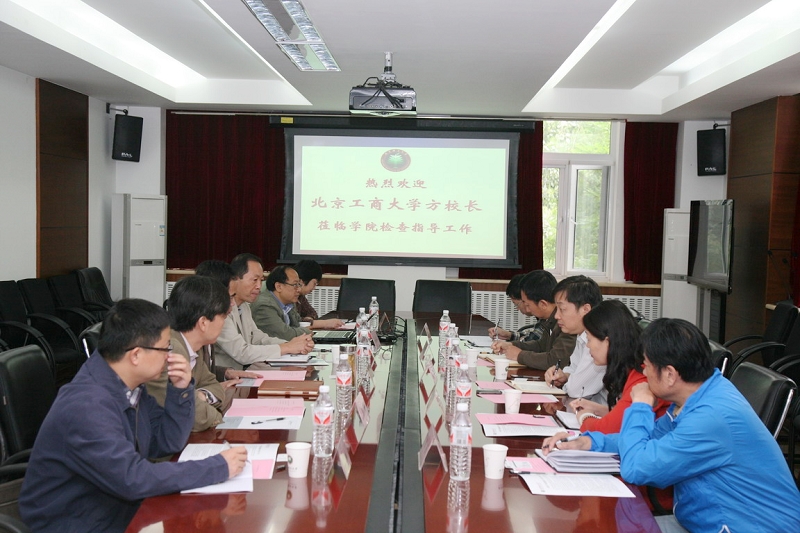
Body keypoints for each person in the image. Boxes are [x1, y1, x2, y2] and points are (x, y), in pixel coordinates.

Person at [543, 318, 800, 533]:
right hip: (699, 521)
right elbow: (651, 439)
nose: (643, 373)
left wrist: (641, 405)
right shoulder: (698, 393)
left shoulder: (711, 417)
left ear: (669, 374)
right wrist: (589, 442)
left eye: (646, 366)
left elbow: (636, 468)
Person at [19, 299, 247, 533]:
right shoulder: (87, 406)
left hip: (117, 510)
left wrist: (180, 391)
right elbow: (133, 478)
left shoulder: (130, 386)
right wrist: (217, 467)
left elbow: (166, 442)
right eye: (165, 348)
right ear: (136, 355)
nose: (169, 356)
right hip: (77, 523)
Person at [147, 276, 242, 431]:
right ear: (203, 323)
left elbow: (215, 386)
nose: (223, 323)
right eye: (223, 317)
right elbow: (198, 418)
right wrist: (211, 412)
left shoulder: (192, 347)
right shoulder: (170, 351)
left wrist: (200, 396)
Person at [569, 300, 669, 432]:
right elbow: (625, 416)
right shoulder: (629, 368)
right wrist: (596, 409)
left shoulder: (642, 377)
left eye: (589, 339)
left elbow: (608, 429)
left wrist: (584, 417)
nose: (587, 346)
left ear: (607, 341)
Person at [213, 253, 314, 371]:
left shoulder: (244, 306)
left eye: (261, 280)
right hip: (224, 377)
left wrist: (292, 344)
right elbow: (242, 352)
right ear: (235, 279)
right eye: (254, 280)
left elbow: (258, 338)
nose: (258, 286)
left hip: (244, 373)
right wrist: (287, 347)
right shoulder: (221, 310)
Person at [491, 270, 577, 370]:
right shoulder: (548, 320)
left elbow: (555, 360)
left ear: (543, 304)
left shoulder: (565, 323)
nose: (527, 310)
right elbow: (540, 345)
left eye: (527, 305)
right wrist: (510, 345)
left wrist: (519, 355)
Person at [194, 259, 260, 383]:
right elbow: (191, 389)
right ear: (213, 294)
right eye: (230, 297)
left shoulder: (207, 320)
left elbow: (204, 371)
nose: (233, 304)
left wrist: (225, 373)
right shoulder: (179, 344)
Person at [543, 275, 607, 403]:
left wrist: (569, 381)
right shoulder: (581, 335)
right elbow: (574, 369)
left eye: (562, 309)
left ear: (586, 309)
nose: (556, 316)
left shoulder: (599, 342)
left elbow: (575, 390)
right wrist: (564, 376)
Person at [251, 265, 343, 340]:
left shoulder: (289, 302)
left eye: (299, 284)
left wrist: (305, 329)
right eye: (295, 285)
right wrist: (307, 330)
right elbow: (286, 334)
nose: (298, 289)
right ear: (279, 287)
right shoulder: (264, 306)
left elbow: (298, 324)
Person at [487, 274, 531, 341]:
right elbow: (533, 337)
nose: (517, 309)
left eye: (516, 304)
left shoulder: (546, 320)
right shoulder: (541, 318)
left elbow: (537, 343)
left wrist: (509, 344)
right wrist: (509, 335)